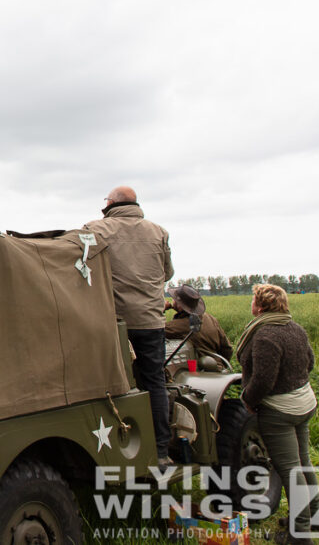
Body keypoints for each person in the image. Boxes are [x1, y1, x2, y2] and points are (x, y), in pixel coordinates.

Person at [84, 185, 174, 467]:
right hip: (150, 321)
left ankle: (122, 452)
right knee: (155, 383)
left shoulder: (95, 228)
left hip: (113, 322)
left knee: (113, 385)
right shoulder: (159, 232)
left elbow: (81, 266)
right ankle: (161, 451)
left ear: (109, 204)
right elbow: (167, 272)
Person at [237, 284, 319, 542]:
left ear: (260, 307)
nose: (251, 304)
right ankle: (314, 519)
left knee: (290, 471)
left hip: (281, 411)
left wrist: (247, 400)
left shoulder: (264, 335)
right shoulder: (295, 328)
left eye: (253, 300)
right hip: (305, 403)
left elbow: (263, 380)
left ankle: (300, 534)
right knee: (303, 464)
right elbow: (311, 362)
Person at [164, 284, 233, 362]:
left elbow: (153, 331)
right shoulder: (210, 318)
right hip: (218, 369)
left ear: (180, 305)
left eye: (174, 299)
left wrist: (161, 310)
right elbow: (227, 349)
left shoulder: (179, 325)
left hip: (198, 371)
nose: (172, 300)